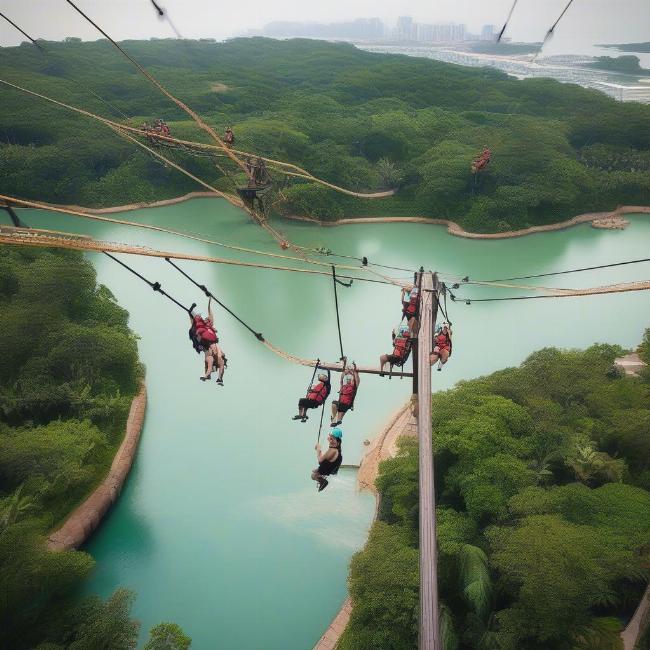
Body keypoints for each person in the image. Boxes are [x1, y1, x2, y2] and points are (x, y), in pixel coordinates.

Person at [189, 299, 226, 385]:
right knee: (210, 360)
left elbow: (210, 314)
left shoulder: (210, 326)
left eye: (207, 319)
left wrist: (209, 302)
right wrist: (191, 311)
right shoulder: (201, 327)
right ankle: (206, 375)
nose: (207, 319)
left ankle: (220, 378)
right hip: (206, 346)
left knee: (221, 361)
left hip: (214, 346)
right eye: (205, 319)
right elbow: (194, 322)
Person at [331, 362, 360, 427]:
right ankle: (338, 420)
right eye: (348, 379)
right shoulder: (343, 386)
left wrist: (354, 371)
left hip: (347, 403)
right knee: (339, 411)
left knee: (334, 403)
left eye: (351, 380)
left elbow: (356, 378)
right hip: (343, 403)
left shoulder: (354, 387)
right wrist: (345, 371)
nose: (349, 380)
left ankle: (334, 419)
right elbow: (341, 380)